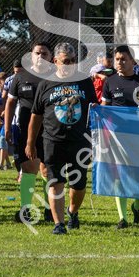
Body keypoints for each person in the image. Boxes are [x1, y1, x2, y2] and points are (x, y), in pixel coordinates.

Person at [27, 42, 97, 235]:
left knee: (78, 184)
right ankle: (59, 224)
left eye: (73, 61)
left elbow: (95, 110)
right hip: (52, 141)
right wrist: (30, 143)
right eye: (65, 61)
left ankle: (72, 212)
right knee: (55, 182)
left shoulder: (84, 82)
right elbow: (36, 115)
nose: (69, 65)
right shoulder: (45, 83)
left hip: (79, 141)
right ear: (55, 61)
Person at [101, 45, 139, 229]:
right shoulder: (110, 81)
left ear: (132, 61)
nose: (119, 62)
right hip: (118, 136)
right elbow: (104, 109)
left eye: (123, 59)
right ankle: (123, 218)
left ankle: (137, 206)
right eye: (117, 59)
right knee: (120, 175)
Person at [4, 42, 53, 223]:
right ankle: (25, 210)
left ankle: (50, 210)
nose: (40, 56)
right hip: (25, 130)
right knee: (28, 168)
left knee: (47, 170)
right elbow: (10, 103)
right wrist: (7, 127)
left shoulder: (56, 76)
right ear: (31, 55)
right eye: (37, 53)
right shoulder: (20, 76)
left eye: (44, 53)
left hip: (50, 130)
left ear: (51, 57)